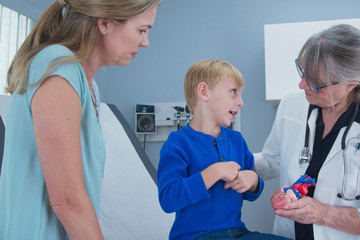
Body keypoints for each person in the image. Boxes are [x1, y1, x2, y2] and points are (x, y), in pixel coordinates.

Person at [0, 0, 160, 239]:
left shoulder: (88, 84)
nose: (146, 42)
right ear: (105, 23)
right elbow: (67, 200)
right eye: (142, 30)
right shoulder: (59, 67)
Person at [254, 24, 360, 240]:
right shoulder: (291, 106)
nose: (302, 85)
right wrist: (228, 161)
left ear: (351, 84)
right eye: (303, 73)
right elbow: (271, 162)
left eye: (316, 83)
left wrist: (322, 214)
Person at [158, 60, 290, 240]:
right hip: (195, 236)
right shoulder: (178, 143)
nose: (241, 102)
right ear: (204, 92)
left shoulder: (236, 140)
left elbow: (250, 192)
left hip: (238, 232)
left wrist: (253, 182)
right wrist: (214, 172)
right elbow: (168, 199)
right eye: (233, 92)